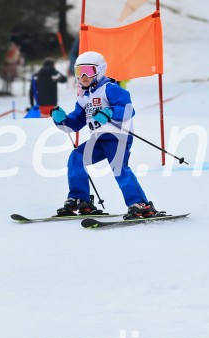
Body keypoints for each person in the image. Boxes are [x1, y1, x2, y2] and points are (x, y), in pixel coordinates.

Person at [50, 51, 157, 219]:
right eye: (79, 71)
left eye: (89, 71)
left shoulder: (111, 89)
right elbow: (75, 123)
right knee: (76, 157)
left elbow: (129, 110)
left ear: (99, 71)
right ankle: (80, 198)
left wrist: (109, 112)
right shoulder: (83, 97)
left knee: (118, 167)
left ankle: (140, 203)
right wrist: (62, 120)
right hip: (98, 139)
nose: (83, 76)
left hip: (118, 137)